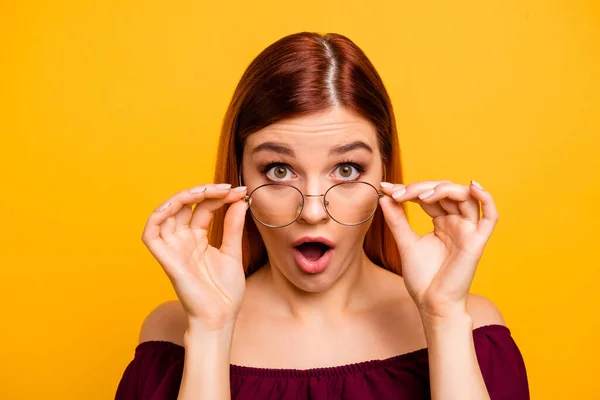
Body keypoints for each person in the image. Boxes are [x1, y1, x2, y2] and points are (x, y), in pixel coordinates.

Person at [115, 32, 529, 400]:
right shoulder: (173, 336)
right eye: (279, 170)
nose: (312, 211)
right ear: (239, 179)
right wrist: (210, 330)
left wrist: (443, 319)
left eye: (346, 170)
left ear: (386, 174)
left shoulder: (473, 328)